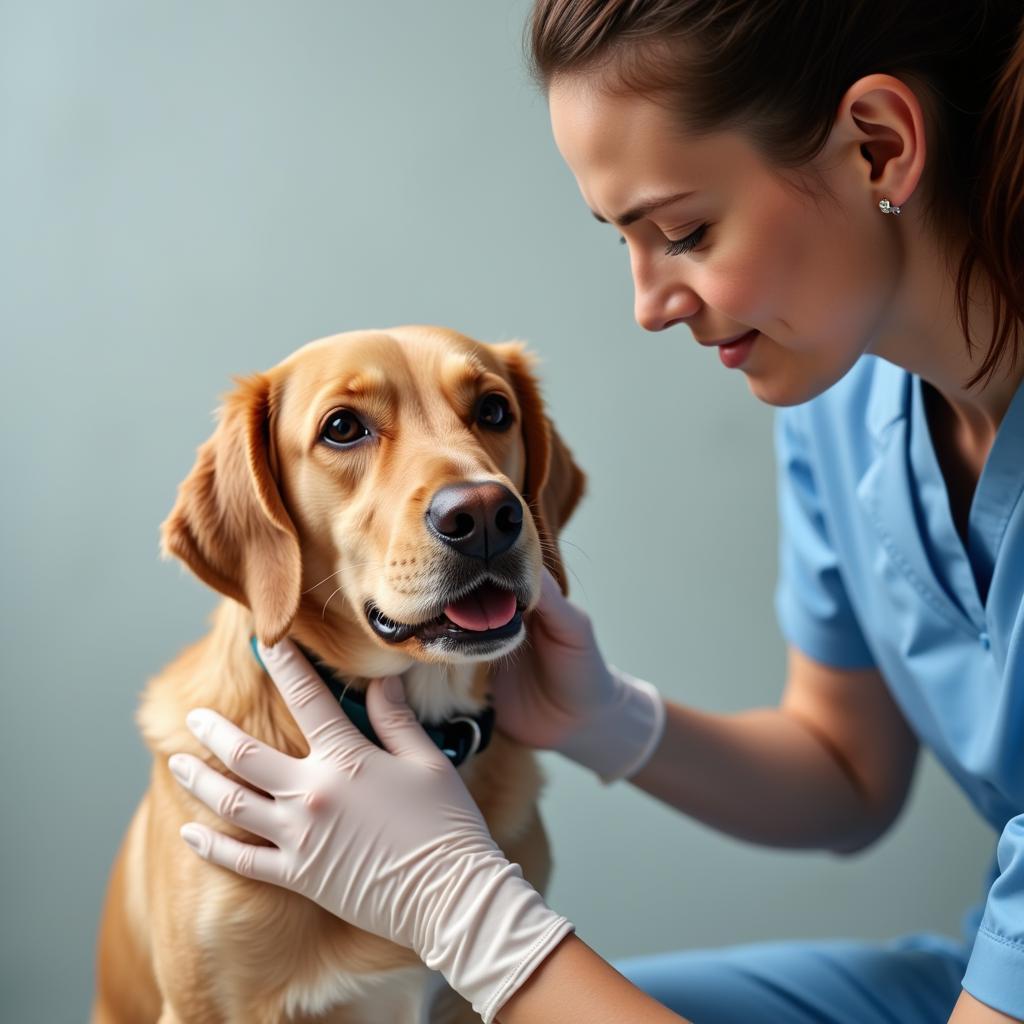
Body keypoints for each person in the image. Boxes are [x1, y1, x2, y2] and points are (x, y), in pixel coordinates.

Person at [165, 1, 1024, 1021]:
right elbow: (848, 774)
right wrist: (609, 719)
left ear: (877, 148)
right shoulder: (839, 395)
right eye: (623, 238)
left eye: (684, 231)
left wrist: (464, 910)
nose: (648, 302)